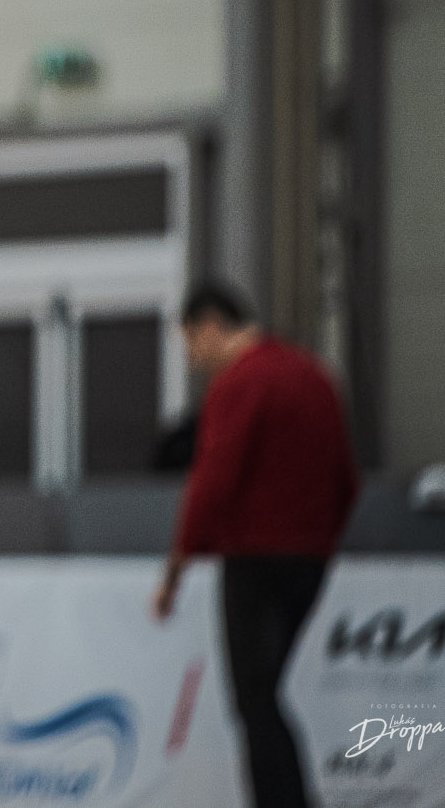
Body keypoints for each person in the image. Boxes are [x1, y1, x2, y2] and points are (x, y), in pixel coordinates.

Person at [152, 282, 361, 808]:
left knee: (254, 698)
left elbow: (213, 480)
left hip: (254, 558)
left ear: (209, 326)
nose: (193, 359)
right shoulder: (314, 376)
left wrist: (176, 568)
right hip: (308, 559)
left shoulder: (240, 382)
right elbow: (346, 478)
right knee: (265, 693)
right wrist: (320, 540)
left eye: (191, 343)